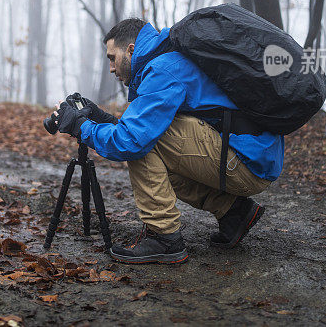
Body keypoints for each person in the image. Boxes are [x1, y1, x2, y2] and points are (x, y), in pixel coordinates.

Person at [53, 18, 284, 264]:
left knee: (145, 142)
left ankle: (164, 238)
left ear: (131, 49)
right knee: (150, 141)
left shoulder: (163, 68)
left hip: (245, 161)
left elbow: (130, 141)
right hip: (253, 156)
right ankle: (233, 212)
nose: (111, 67)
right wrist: (101, 118)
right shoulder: (168, 57)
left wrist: (81, 126)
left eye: (112, 57)